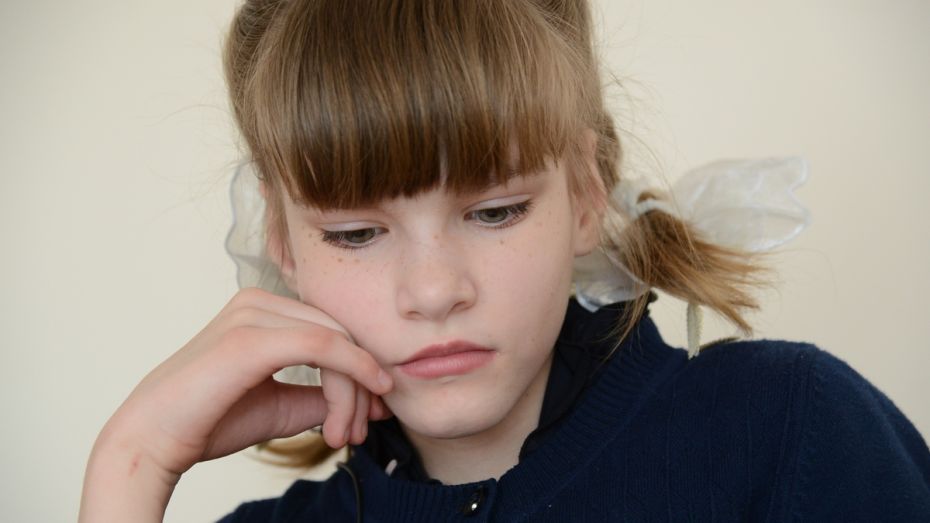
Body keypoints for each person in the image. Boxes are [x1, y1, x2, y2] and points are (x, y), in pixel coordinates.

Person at [79, 1, 930, 521]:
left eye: (494, 212)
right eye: (356, 233)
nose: (433, 290)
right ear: (281, 241)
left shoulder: (791, 430)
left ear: (585, 194)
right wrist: (131, 463)